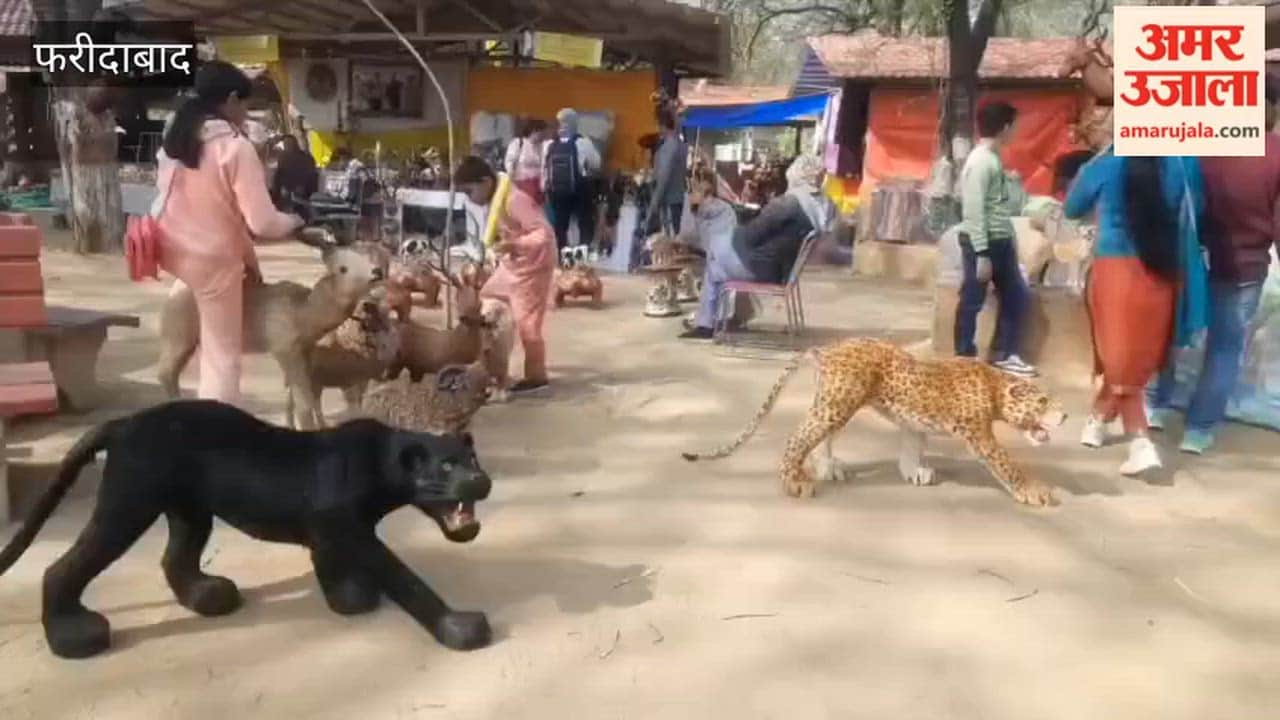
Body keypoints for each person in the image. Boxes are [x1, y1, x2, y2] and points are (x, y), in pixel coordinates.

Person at [154, 60, 305, 404]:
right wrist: (294, 221)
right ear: (232, 99)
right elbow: (263, 223)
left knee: (198, 310)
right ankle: (217, 425)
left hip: (174, 250)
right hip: (212, 261)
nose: (246, 114)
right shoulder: (234, 148)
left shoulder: (175, 142)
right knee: (221, 356)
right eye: (246, 106)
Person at [1148, 78, 1280, 455]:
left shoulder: (1202, 143)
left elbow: (1174, 199)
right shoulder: (1276, 154)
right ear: (1271, 108)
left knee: (1171, 332)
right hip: (1242, 269)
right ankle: (1198, 430)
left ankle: (1156, 405)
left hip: (1188, 259)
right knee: (1224, 348)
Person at [1065, 148, 1208, 475]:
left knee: (1118, 360)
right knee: (1134, 361)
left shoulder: (1106, 164)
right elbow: (1197, 210)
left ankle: (1140, 441)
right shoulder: (1183, 163)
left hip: (1114, 271)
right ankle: (1098, 418)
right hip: (1162, 273)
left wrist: (1091, 164)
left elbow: (1073, 208)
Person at [680, 154, 830, 341]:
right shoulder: (816, 204)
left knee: (716, 256)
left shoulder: (790, 203)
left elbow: (752, 236)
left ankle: (709, 324)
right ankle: (720, 320)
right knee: (717, 261)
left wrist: (734, 233)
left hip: (762, 268)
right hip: (778, 268)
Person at [455, 156, 557, 395]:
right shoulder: (497, 199)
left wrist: (514, 245)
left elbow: (545, 234)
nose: (469, 198)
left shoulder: (514, 200)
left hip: (532, 269)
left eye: (469, 191)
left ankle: (537, 377)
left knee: (528, 325)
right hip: (512, 266)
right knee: (486, 298)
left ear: (485, 182)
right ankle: (492, 356)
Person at [954, 101, 1037, 378]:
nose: (1016, 132)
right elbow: (973, 209)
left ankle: (1005, 354)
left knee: (1016, 296)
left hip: (1000, 240)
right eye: (1014, 126)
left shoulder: (993, 159)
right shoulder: (981, 162)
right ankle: (963, 356)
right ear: (1005, 127)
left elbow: (996, 204)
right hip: (984, 242)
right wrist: (981, 253)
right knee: (972, 300)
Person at [543, 108, 602, 252]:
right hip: (579, 190)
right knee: (584, 222)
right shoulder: (583, 142)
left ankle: (561, 254)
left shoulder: (549, 144)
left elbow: (543, 169)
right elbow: (596, 164)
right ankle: (582, 253)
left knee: (560, 224)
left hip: (557, 191)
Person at [645, 106, 688, 236]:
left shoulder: (668, 147)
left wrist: (654, 204)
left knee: (668, 238)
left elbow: (663, 177)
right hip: (677, 199)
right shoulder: (681, 145)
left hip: (668, 201)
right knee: (675, 236)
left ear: (662, 125)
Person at [504, 118, 550, 202]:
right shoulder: (518, 143)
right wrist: (512, 178)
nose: (543, 136)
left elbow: (544, 167)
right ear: (534, 131)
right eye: (542, 133)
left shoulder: (543, 146)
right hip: (522, 182)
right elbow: (509, 162)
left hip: (538, 185)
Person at [270, 134, 319, 213]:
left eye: (289, 143)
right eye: (285, 143)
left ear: (295, 144)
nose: (287, 145)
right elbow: (279, 174)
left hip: (303, 192)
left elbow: (312, 175)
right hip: (288, 192)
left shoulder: (306, 157)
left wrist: (302, 186)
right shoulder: (282, 157)